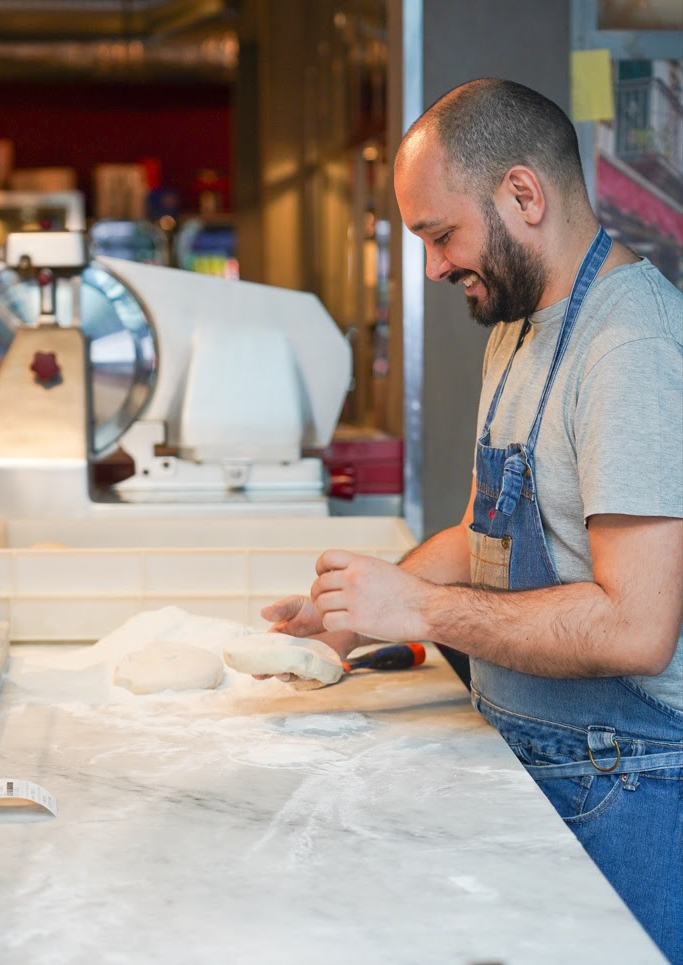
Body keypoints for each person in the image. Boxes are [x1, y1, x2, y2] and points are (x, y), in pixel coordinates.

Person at [260, 79, 683, 963]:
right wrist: (349, 611)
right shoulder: (519, 322)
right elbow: (478, 538)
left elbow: (638, 626)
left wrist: (415, 612)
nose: (434, 267)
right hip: (536, 752)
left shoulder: (631, 347)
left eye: (439, 234)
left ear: (523, 195)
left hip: (624, 783)